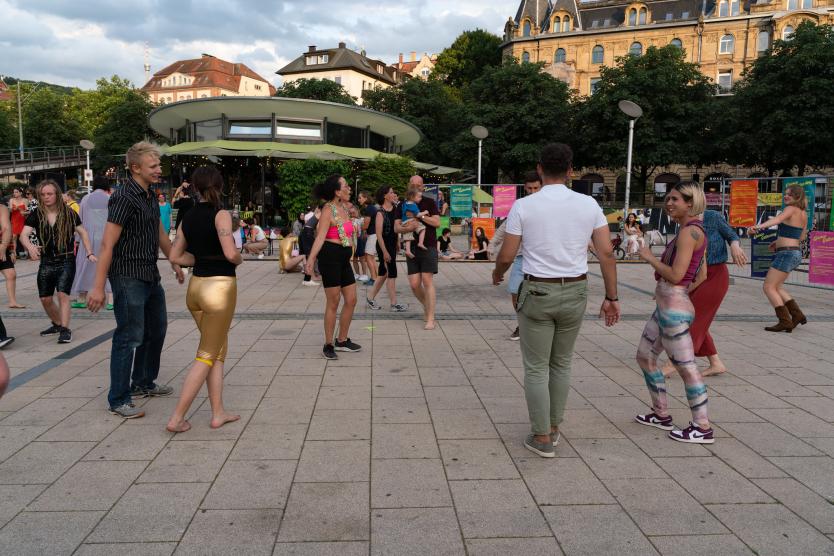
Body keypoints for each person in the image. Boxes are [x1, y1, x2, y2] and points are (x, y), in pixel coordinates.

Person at [494, 143, 619, 458]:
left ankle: (541, 436)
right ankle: (553, 427)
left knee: (536, 367)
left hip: (537, 291)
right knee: (561, 363)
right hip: (575, 290)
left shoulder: (525, 206)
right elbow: (605, 253)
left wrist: (498, 272)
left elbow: (507, 254)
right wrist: (611, 296)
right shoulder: (589, 204)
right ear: (570, 170)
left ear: (539, 168)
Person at [88, 141, 185, 419]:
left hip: (149, 273)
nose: (159, 170)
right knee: (129, 336)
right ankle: (119, 398)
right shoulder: (123, 197)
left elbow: (159, 235)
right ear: (135, 168)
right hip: (127, 275)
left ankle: (143, 381)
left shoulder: (150, 196)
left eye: (158, 165)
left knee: (157, 329)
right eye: (153, 166)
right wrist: (97, 287)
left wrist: (175, 263)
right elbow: (107, 244)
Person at [635, 182, 714, 444]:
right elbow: (700, 274)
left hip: (673, 310)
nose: (669, 203)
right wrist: (671, 295)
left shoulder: (689, 233)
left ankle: (702, 428)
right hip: (668, 305)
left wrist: (648, 256)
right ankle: (661, 413)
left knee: (686, 367)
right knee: (645, 356)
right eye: (667, 198)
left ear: (690, 203)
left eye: (676, 199)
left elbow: (677, 276)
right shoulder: (690, 231)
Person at [166, 166, 242, 433]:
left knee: (217, 350)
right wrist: (239, 257)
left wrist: (199, 259)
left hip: (196, 289)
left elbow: (175, 256)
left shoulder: (188, 217)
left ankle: (218, 412)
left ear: (196, 188)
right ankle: (177, 418)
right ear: (220, 186)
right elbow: (231, 254)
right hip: (219, 289)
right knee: (207, 354)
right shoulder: (221, 214)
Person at [662, 209, 747, 377]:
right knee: (698, 319)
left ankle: (674, 362)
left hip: (715, 276)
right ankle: (716, 363)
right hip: (695, 276)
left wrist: (735, 246)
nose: (672, 209)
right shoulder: (686, 225)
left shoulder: (712, 217)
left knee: (694, 320)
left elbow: (732, 235)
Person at [20, 179, 97, 345]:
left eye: (49, 194)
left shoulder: (69, 213)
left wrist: (89, 252)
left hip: (66, 259)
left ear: (56, 194)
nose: (46, 197)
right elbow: (23, 234)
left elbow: (83, 233)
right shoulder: (37, 214)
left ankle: (65, 330)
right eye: (43, 194)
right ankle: (57, 324)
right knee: (45, 299)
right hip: (46, 262)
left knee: (63, 295)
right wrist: (30, 246)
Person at [305, 175, 362, 359]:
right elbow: (320, 237)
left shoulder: (344, 208)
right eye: (346, 186)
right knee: (334, 302)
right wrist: (311, 260)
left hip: (344, 258)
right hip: (330, 256)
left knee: (352, 299)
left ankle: (342, 340)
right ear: (337, 191)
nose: (350, 188)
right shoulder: (328, 209)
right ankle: (329, 344)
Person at [748, 184, 808, 332]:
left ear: (797, 197)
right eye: (785, 194)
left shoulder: (790, 209)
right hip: (794, 252)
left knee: (768, 287)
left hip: (786, 254)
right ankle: (797, 315)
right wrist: (778, 242)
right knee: (777, 287)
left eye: (789, 195)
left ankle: (785, 321)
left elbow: (777, 220)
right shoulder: (803, 213)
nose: (785, 196)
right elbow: (801, 236)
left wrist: (758, 226)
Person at [492, 171, 542, 340]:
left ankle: (535, 326)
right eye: (529, 188)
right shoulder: (521, 205)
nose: (533, 191)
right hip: (521, 257)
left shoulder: (547, 205)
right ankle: (523, 323)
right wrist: (492, 245)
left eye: (536, 188)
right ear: (525, 188)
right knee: (515, 291)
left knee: (540, 294)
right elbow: (505, 227)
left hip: (540, 257)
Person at [400, 175, 440, 330]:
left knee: (427, 280)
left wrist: (421, 217)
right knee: (414, 284)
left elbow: (436, 223)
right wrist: (407, 227)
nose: (416, 186)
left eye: (419, 184)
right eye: (413, 184)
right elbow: (397, 226)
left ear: (423, 187)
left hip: (428, 245)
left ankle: (430, 318)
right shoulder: (403, 204)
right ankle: (427, 305)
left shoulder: (429, 202)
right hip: (412, 246)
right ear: (409, 185)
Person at [71, 176, 114, 310]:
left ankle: (82, 297)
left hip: (88, 237)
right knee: (108, 267)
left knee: (85, 266)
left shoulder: (86, 199)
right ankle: (111, 301)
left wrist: (78, 239)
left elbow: (80, 220)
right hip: (106, 237)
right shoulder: (110, 199)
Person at [366, 185, 408, 312]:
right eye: (391, 192)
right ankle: (394, 304)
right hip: (383, 245)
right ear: (385, 196)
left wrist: (397, 242)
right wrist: (384, 252)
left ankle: (370, 297)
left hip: (391, 244)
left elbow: (396, 229)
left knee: (384, 273)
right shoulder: (380, 213)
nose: (393, 194)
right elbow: (379, 234)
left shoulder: (395, 209)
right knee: (392, 273)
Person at [0, 203, 24, 309]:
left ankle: (12, 301)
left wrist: (9, 249)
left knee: (11, 274)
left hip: (2, 245)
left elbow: (7, 229)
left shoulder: (2, 208)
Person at [400, 186, 428, 259]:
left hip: (404, 222)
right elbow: (418, 215)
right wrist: (425, 212)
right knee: (423, 228)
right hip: (412, 221)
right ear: (412, 197)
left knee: (408, 237)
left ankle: (408, 251)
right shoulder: (413, 205)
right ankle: (421, 243)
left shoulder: (405, 203)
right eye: (419, 197)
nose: (420, 198)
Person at [358, 191, 378, 285]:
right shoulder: (371, 208)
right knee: (371, 257)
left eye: (360, 198)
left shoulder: (369, 209)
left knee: (368, 257)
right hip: (374, 234)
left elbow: (365, 225)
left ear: (366, 198)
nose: (359, 200)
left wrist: (356, 226)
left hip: (373, 235)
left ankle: (374, 278)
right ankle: (376, 278)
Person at [299, 205, 321, 286]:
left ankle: (307, 279)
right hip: (308, 233)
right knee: (311, 256)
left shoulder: (316, 214)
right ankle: (310, 278)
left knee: (310, 256)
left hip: (306, 232)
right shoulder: (321, 214)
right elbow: (318, 229)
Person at [9, 188, 27, 258]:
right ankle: (14, 253)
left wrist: (19, 209)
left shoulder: (25, 200)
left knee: (23, 237)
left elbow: (27, 211)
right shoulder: (11, 200)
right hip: (14, 220)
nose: (14, 193)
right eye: (14, 192)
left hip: (22, 220)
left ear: (20, 193)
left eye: (16, 192)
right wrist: (12, 208)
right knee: (14, 237)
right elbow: (10, 210)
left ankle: (26, 252)